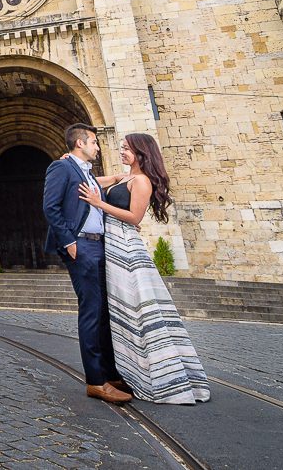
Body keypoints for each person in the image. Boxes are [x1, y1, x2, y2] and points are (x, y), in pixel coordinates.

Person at [78, 133, 211, 404]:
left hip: (125, 246)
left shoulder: (141, 181)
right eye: (122, 148)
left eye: (127, 149)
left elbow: (135, 217)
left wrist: (98, 203)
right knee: (122, 308)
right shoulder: (125, 177)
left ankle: (158, 373)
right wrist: (73, 163)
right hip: (112, 243)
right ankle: (131, 369)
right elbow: (88, 183)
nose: (122, 152)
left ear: (142, 153)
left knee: (136, 306)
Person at [42, 123, 132, 404]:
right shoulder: (61, 167)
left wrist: (120, 176)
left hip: (98, 244)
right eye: (94, 142)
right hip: (82, 246)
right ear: (80, 143)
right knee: (91, 311)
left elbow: (96, 187)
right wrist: (70, 242)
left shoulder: (85, 173)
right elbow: (50, 206)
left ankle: (109, 373)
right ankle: (96, 381)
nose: (98, 146)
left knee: (104, 310)